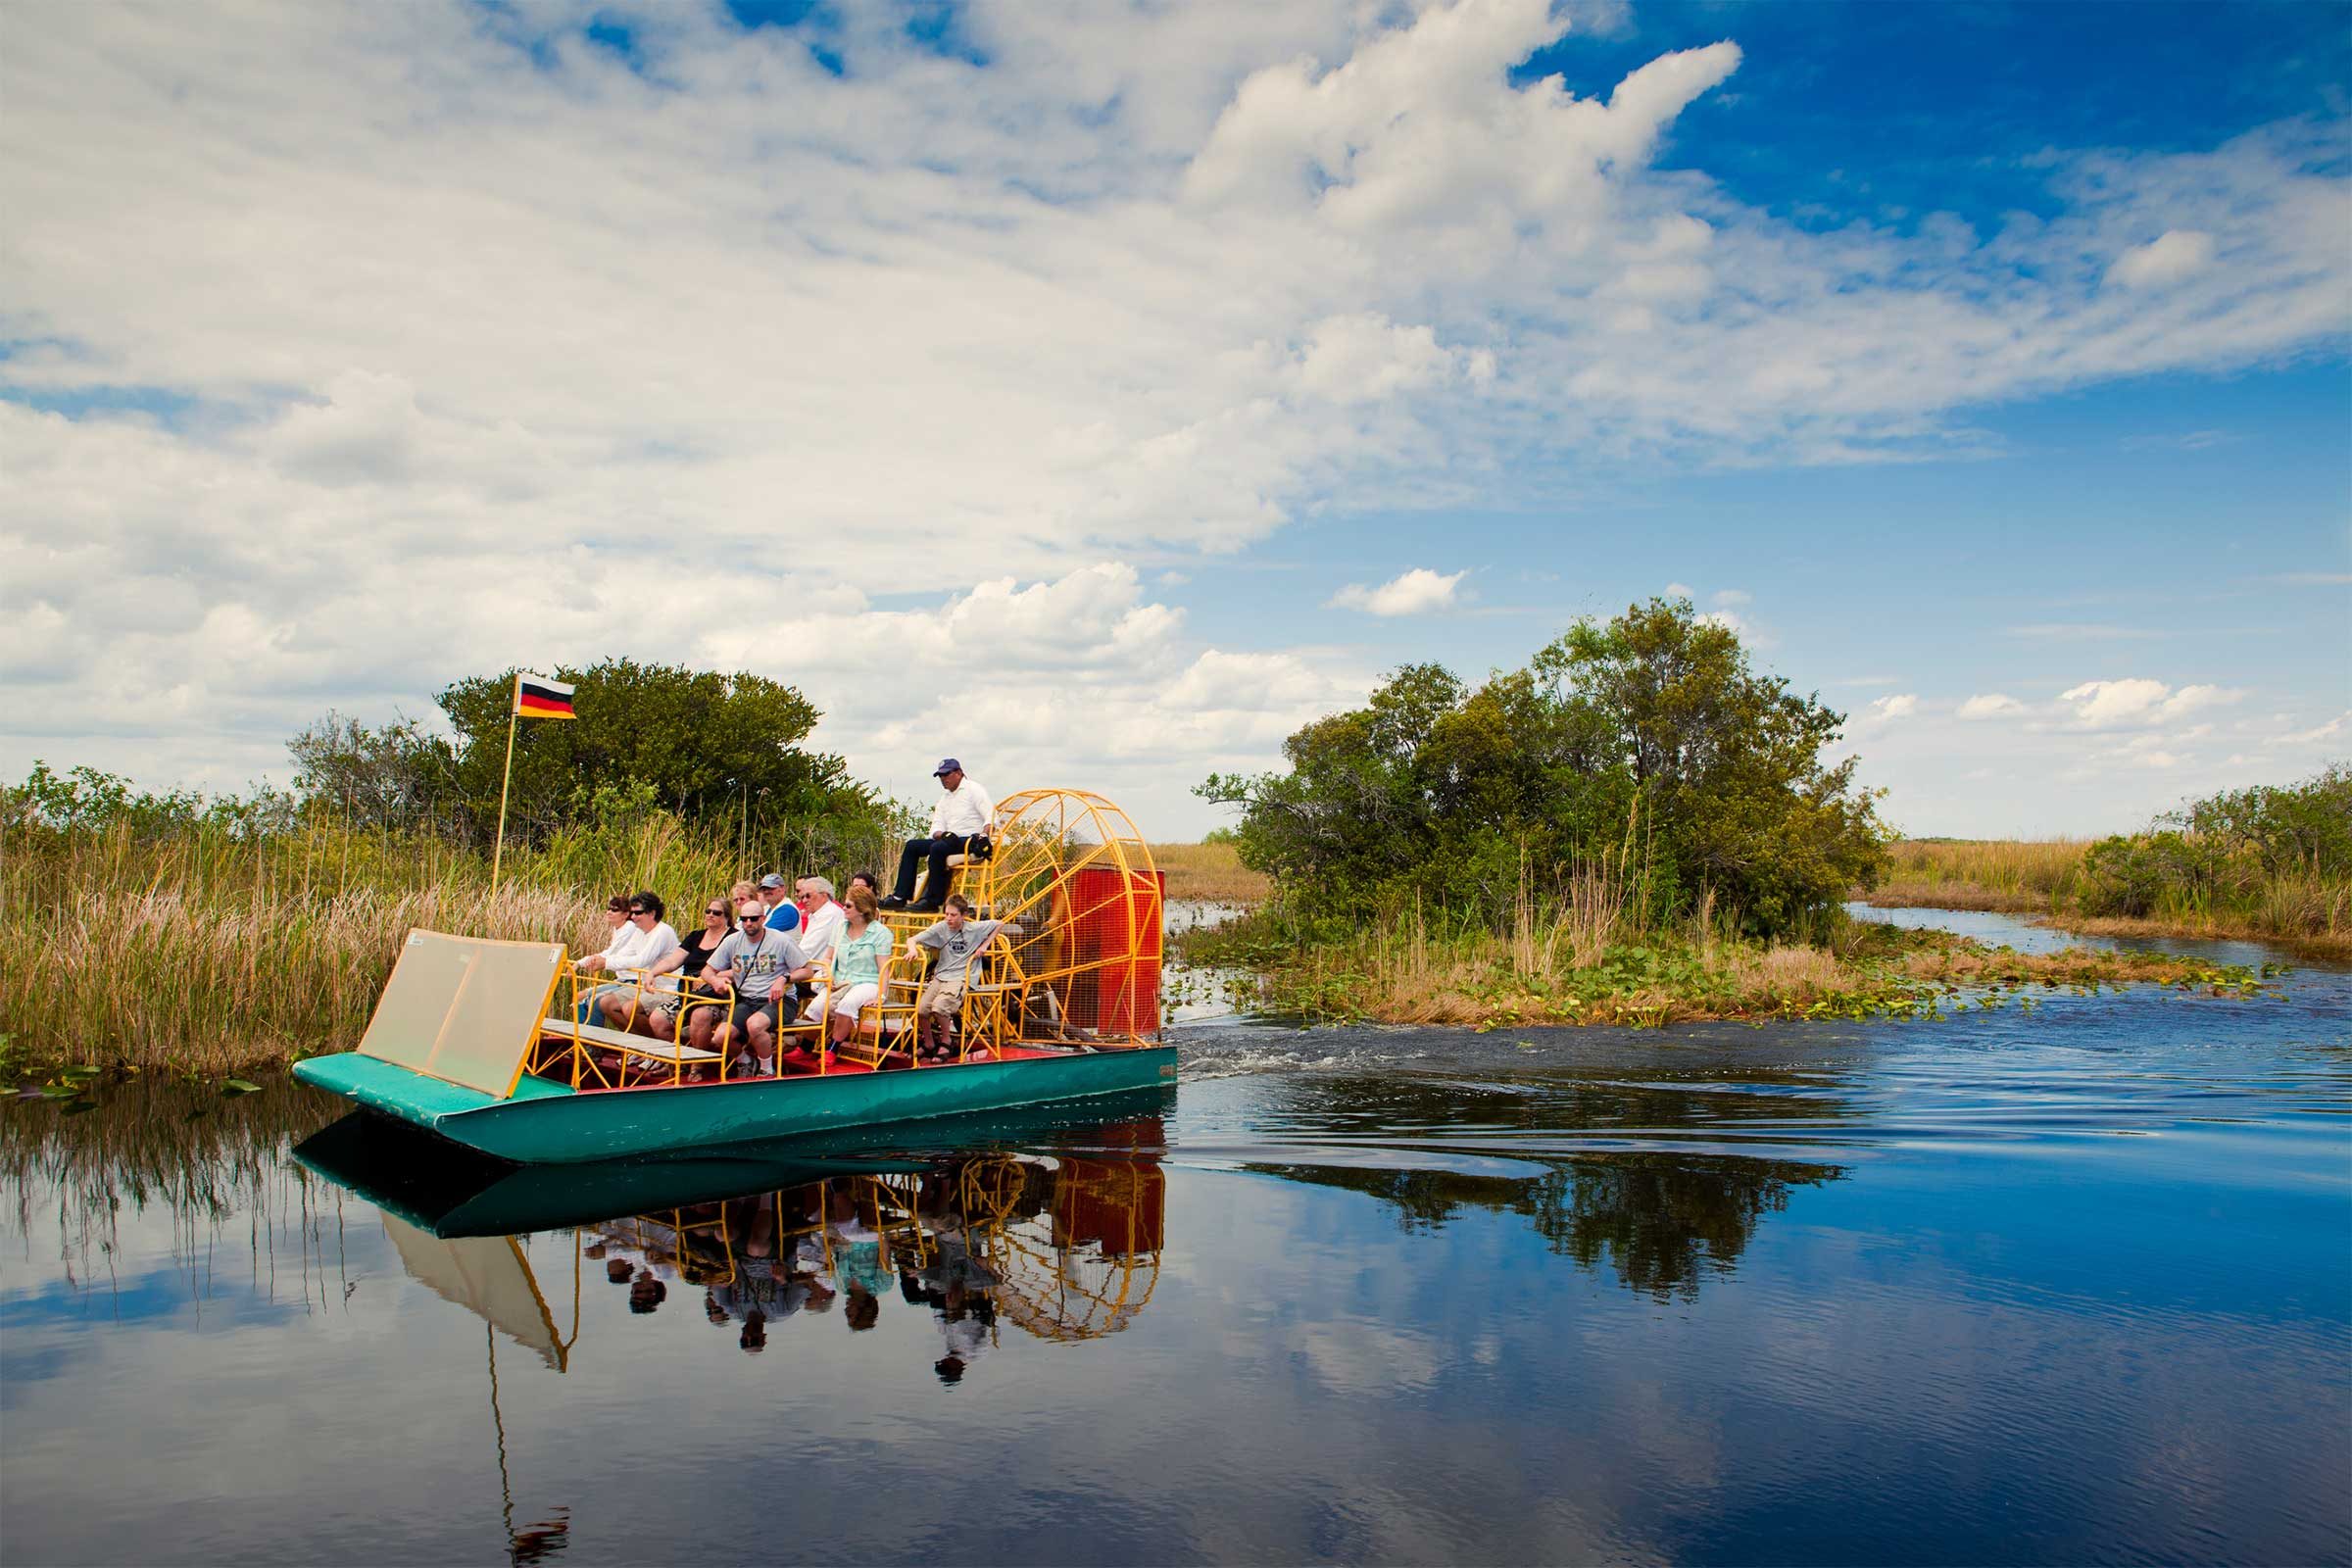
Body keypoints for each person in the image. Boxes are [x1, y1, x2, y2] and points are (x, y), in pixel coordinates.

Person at [696, 900, 815, 1075]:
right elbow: (707, 969)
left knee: (754, 1025)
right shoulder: (733, 941)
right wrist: (715, 981)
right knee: (720, 1037)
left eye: (753, 919)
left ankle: (767, 1070)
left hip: (780, 1001)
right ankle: (745, 1060)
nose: (748, 923)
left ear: (763, 919)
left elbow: (807, 971)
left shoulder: (781, 940)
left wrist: (784, 978)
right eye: (744, 919)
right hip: (748, 999)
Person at [882, 759, 993, 912]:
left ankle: (933, 901)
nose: (943, 779)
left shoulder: (974, 789)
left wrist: (984, 836)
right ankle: (900, 897)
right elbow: (936, 827)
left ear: (959, 773)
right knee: (912, 846)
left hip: (970, 840)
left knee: (938, 848)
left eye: (946, 774)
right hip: (950, 840)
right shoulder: (945, 798)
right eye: (940, 776)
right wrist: (942, 834)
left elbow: (990, 816)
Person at [906, 894, 1006, 1062]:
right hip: (941, 975)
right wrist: (913, 950)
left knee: (939, 1007)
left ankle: (946, 1041)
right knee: (922, 1009)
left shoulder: (973, 929)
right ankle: (929, 1043)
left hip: (960, 976)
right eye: (946, 914)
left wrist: (984, 945)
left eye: (953, 915)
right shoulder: (940, 928)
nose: (948, 918)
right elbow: (912, 939)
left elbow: (999, 923)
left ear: (963, 915)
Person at [638, 895, 734, 1046]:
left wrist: (709, 977)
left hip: (715, 995)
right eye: (708, 911)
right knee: (658, 1019)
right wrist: (652, 973)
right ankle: (677, 1057)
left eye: (716, 913)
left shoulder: (733, 937)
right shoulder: (696, 936)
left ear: (727, 916)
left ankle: (697, 1066)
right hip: (688, 993)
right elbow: (672, 960)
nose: (710, 915)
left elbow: (740, 968)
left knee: (700, 1015)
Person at [584, 892, 680, 1031]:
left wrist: (606, 963)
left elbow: (641, 960)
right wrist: (601, 960)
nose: (633, 917)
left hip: (666, 988)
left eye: (638, 913)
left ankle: (649, 1044)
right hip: (646, 985)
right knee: (605, 1003)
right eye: (632, 913)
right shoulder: (639, 931)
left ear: (652, 914)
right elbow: (624, 954)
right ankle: (633, 1040)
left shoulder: (663, 932)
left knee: (629, 1008)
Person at [821, 887, 894, 1054]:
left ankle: (833, 1049)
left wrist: (881, 995)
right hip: (842, 979)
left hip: (867, 981)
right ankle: (805, 1046)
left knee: (848, 1003)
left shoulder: (880, 933)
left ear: (861, 910)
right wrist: (828, 973)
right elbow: (828, 957)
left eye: (848, 906)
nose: (843, 909)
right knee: (817, 1007)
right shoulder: (840, 928)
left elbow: (884, 967)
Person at [792, 874, 847, 963]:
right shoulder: (817, 914)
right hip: (810, 968)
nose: (804, 900)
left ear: (824, 895)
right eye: (802, 897)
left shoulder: (829, 914)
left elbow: (807, 951)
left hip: (820, 972)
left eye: (808, 896)